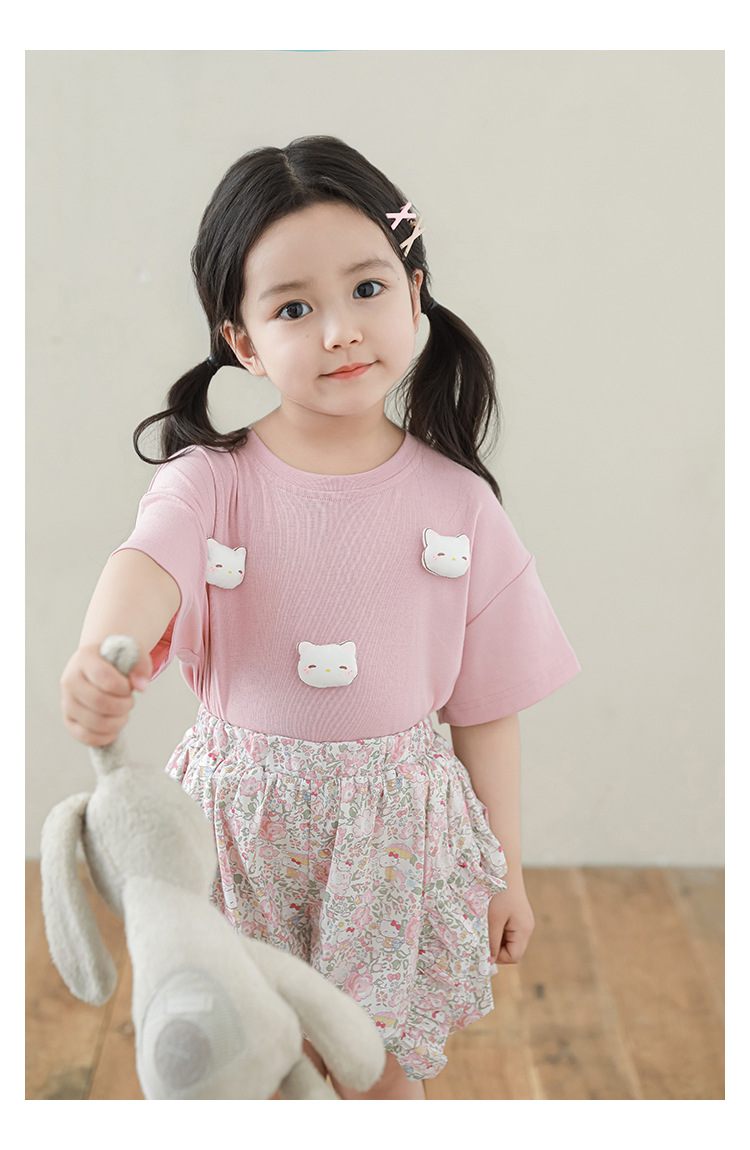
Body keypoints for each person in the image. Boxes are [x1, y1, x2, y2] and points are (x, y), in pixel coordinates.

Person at [60, 136, 581, 1100]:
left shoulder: (460, 503)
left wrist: (505, 871)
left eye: (368, 289)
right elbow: (145, 563)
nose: (341, 330)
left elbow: (486, 710)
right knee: (247, 1063)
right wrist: (104, 652)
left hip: (396, 842)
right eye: (295, 308)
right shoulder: (210, 483)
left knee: (376, 1072)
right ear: (244, 341)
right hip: (239, 831)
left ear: (414, 293)